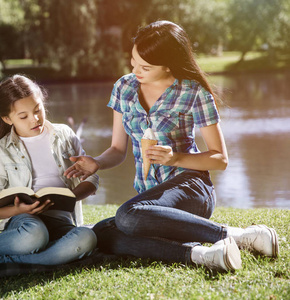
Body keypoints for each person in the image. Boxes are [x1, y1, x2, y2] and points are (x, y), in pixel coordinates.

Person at [64, 20, 279, 271]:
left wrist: (174, 158)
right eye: (133, 60)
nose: (135, 70)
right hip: (150, 203)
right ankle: (202, 255)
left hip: (191, 187)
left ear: (168, 65)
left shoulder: (193, 92)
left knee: (126, 216)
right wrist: (97, 162)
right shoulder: (124, 88)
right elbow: (117, 150)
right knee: (103, 232)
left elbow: (220, 159)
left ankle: (241, 236)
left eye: (145, 66)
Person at [0, 75, 99, 276]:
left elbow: (92, 178)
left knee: (86, 237)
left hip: (62, 222)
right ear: (7, 118)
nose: (35, 119)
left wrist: (72, 197)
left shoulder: (65, 135)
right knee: (35, 235)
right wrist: (18, 209)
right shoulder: (1, 151)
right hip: (25, 223)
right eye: (23, 116)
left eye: (38, 109)